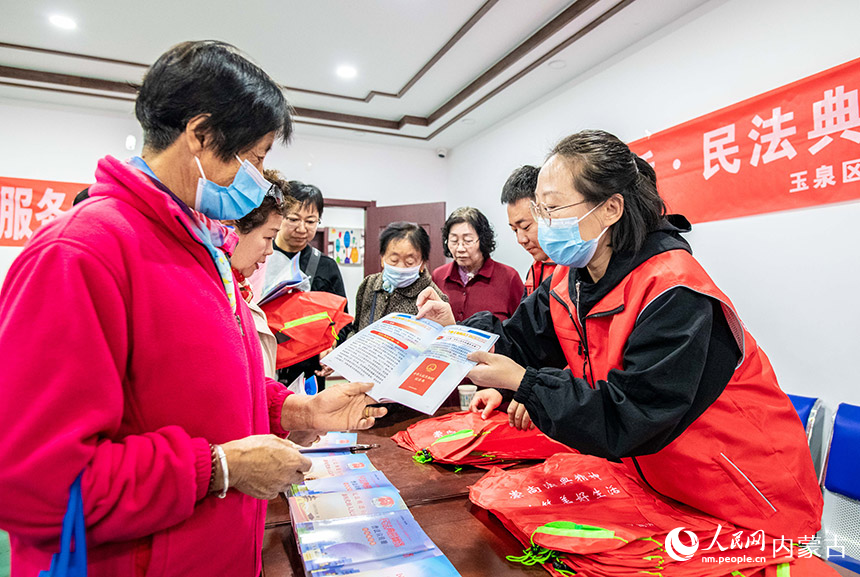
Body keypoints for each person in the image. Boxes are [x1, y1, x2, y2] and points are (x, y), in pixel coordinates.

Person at [0, 41, 385, 577]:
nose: (257, 178)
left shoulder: (200, 247)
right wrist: (217, 469)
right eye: (255, 157)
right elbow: (33, 482)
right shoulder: (81, 253)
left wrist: (295, 411)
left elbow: (203, 393)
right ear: (201, 136)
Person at [417, 129, 822, 540]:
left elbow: (630, 416)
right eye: (539, 210)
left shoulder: (674, 290)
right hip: (660, 489)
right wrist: (453, 330)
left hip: (744, 497)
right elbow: (517, 343)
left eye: (553, 209)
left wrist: (525, 383)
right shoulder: (569, 279)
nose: (541, 226)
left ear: (610, 208)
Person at [271, 180, 347, 385]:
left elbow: (341, 319)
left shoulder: (326, 267)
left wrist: (331, 347)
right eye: (293, 219)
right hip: (266, 365)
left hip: (308, 372)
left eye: (311, 221)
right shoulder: (260, 256)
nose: (302, 228)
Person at [350, 222, 447, 333]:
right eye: (394, 260)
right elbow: (356, 328)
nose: (400, 268)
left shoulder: (435, 299)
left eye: (409, 262)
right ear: (382, 258)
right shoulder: (369, 284)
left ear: (422, 264)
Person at [431, 207, 523, 322]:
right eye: (454, 241)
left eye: (468, 241)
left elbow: (522, 327)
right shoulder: (438, 276)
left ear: (483, 240)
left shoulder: (509, 277)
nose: (460, 248)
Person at [501, 165, 556, 297]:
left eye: (526, 227)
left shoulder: (575, 267)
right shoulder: (535, 269)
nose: (521, 240)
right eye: (514, 230)